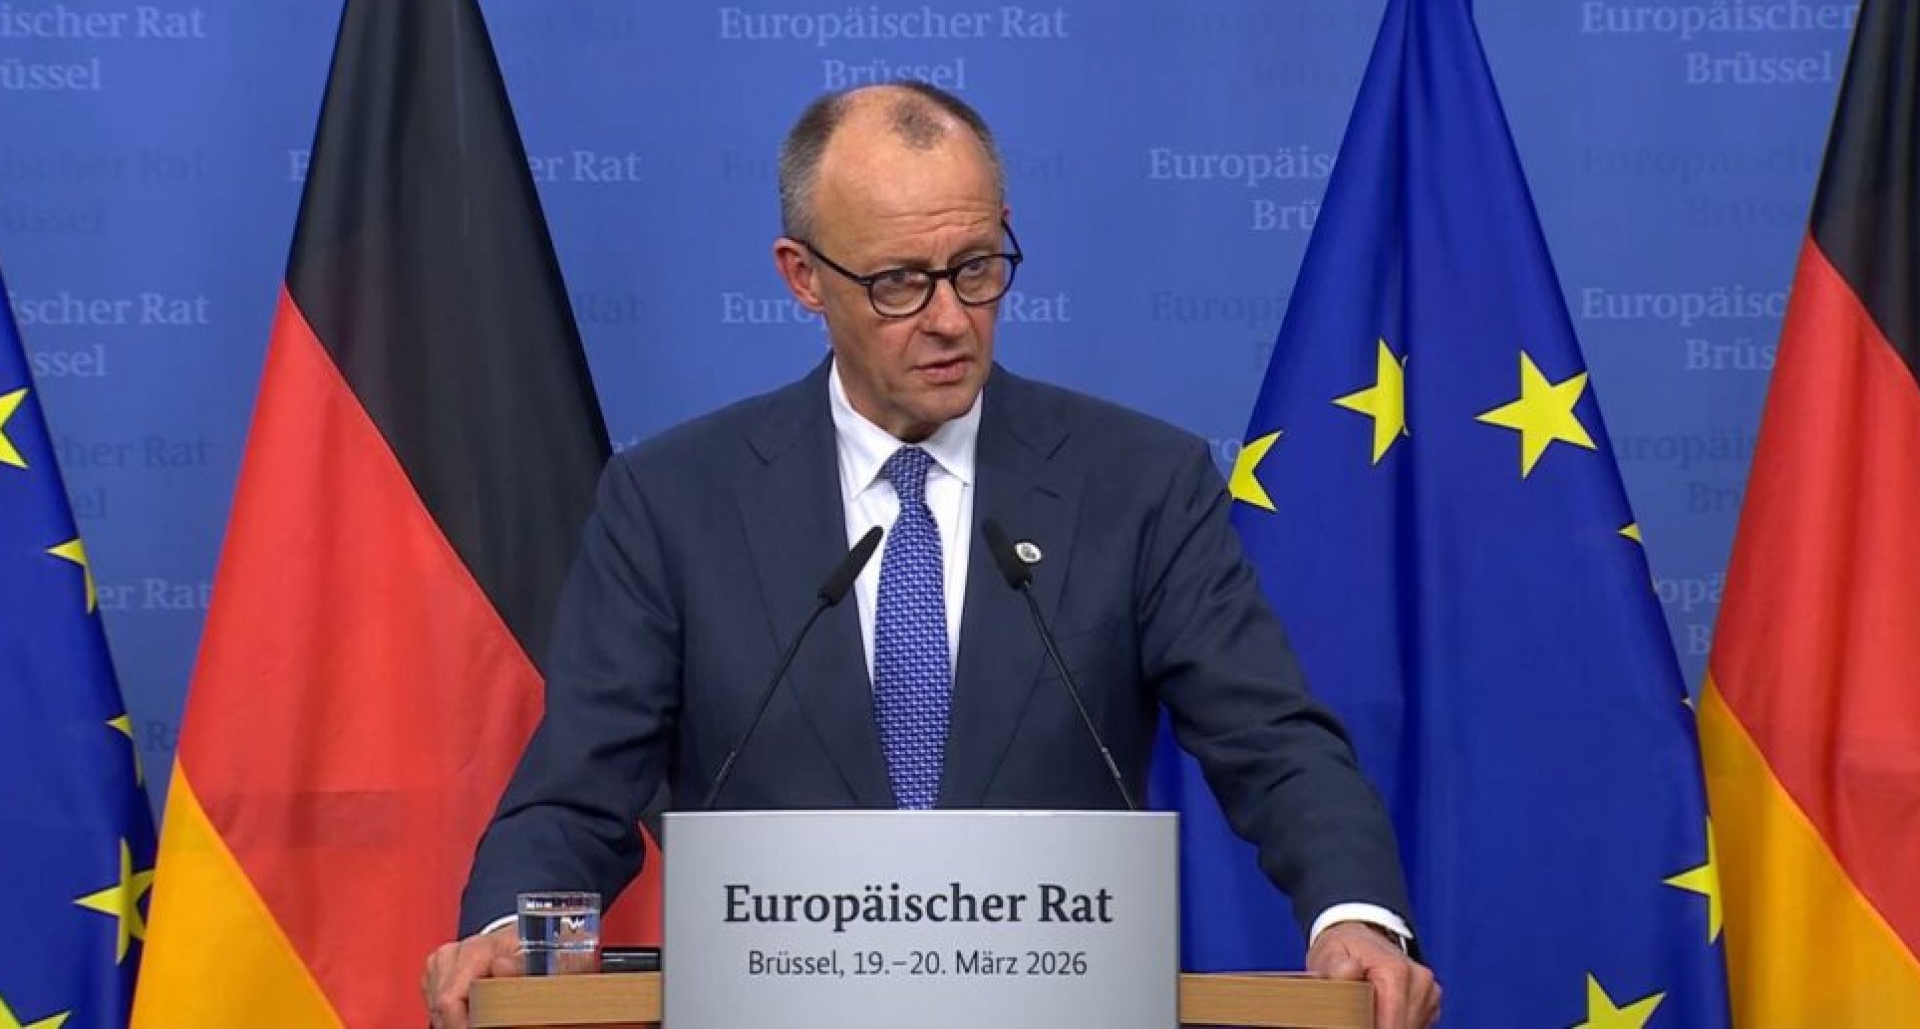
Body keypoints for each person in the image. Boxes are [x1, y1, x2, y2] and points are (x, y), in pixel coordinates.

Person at [424, 82, 1441, 1029]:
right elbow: (581, 785)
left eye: (978, 268)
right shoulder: (672, 502)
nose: (951, 319)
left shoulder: (1139, 483)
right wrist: (511, 926)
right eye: (900, 283)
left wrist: (1353, 913)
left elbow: (1273, 742)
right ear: (803, 278)